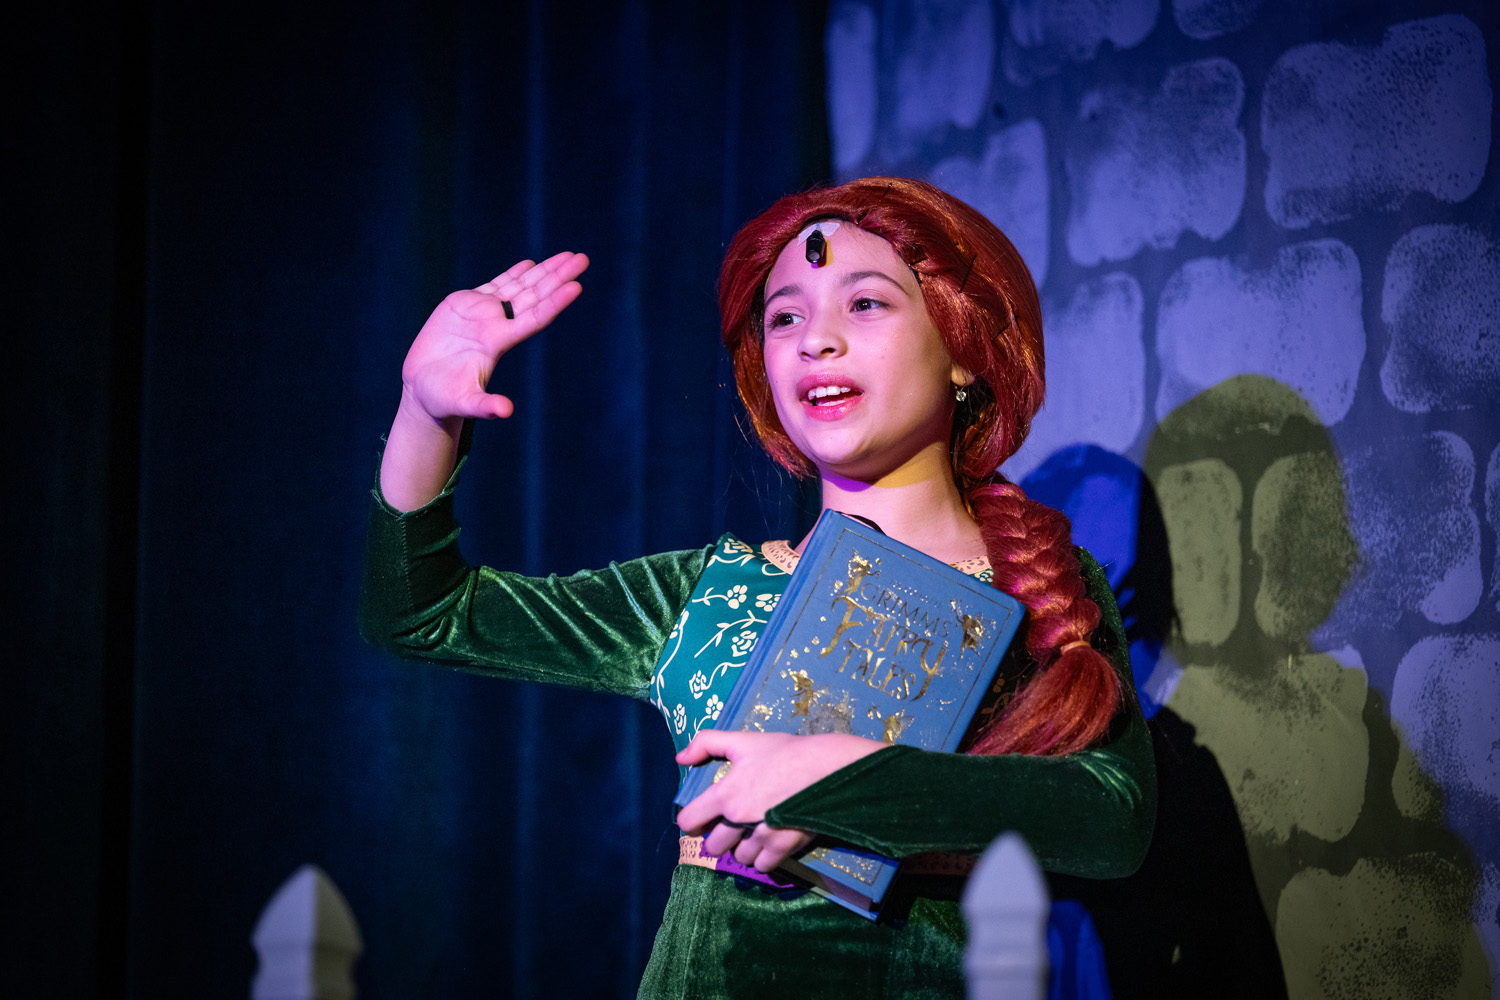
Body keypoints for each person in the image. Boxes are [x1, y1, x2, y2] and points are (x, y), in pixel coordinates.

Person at [361, 176, 1156, 998]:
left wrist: (852, 778)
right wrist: (425, 410)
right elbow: (422, 613)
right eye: (784, 318)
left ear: (962, 347)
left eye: (865, 304)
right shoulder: (708, 591)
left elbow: (1113, 821)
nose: (816, 341)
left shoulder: (1035, 590)